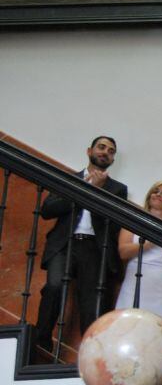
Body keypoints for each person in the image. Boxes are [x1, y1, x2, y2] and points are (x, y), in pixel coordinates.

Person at [35, 135, 128, 351]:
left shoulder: (117, 189)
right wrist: (83, 190)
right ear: (89, 151)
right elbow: (47, 210)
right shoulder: (68, 178)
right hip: (64, 245)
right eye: (101, 147)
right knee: (54, 287)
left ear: (112, 159)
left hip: (95, 250)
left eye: (111, 151)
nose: (105, 152)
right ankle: (40, 342)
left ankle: (90, 354)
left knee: (91, 305)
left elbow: (115, 224)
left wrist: (96, 191)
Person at [115, 180, 162, 322]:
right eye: (155, 191)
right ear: (149, 196)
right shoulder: (134, 220)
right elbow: (123, 251)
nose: (158, 195)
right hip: (135, 276)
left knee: (158, 325)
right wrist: (151, 243)